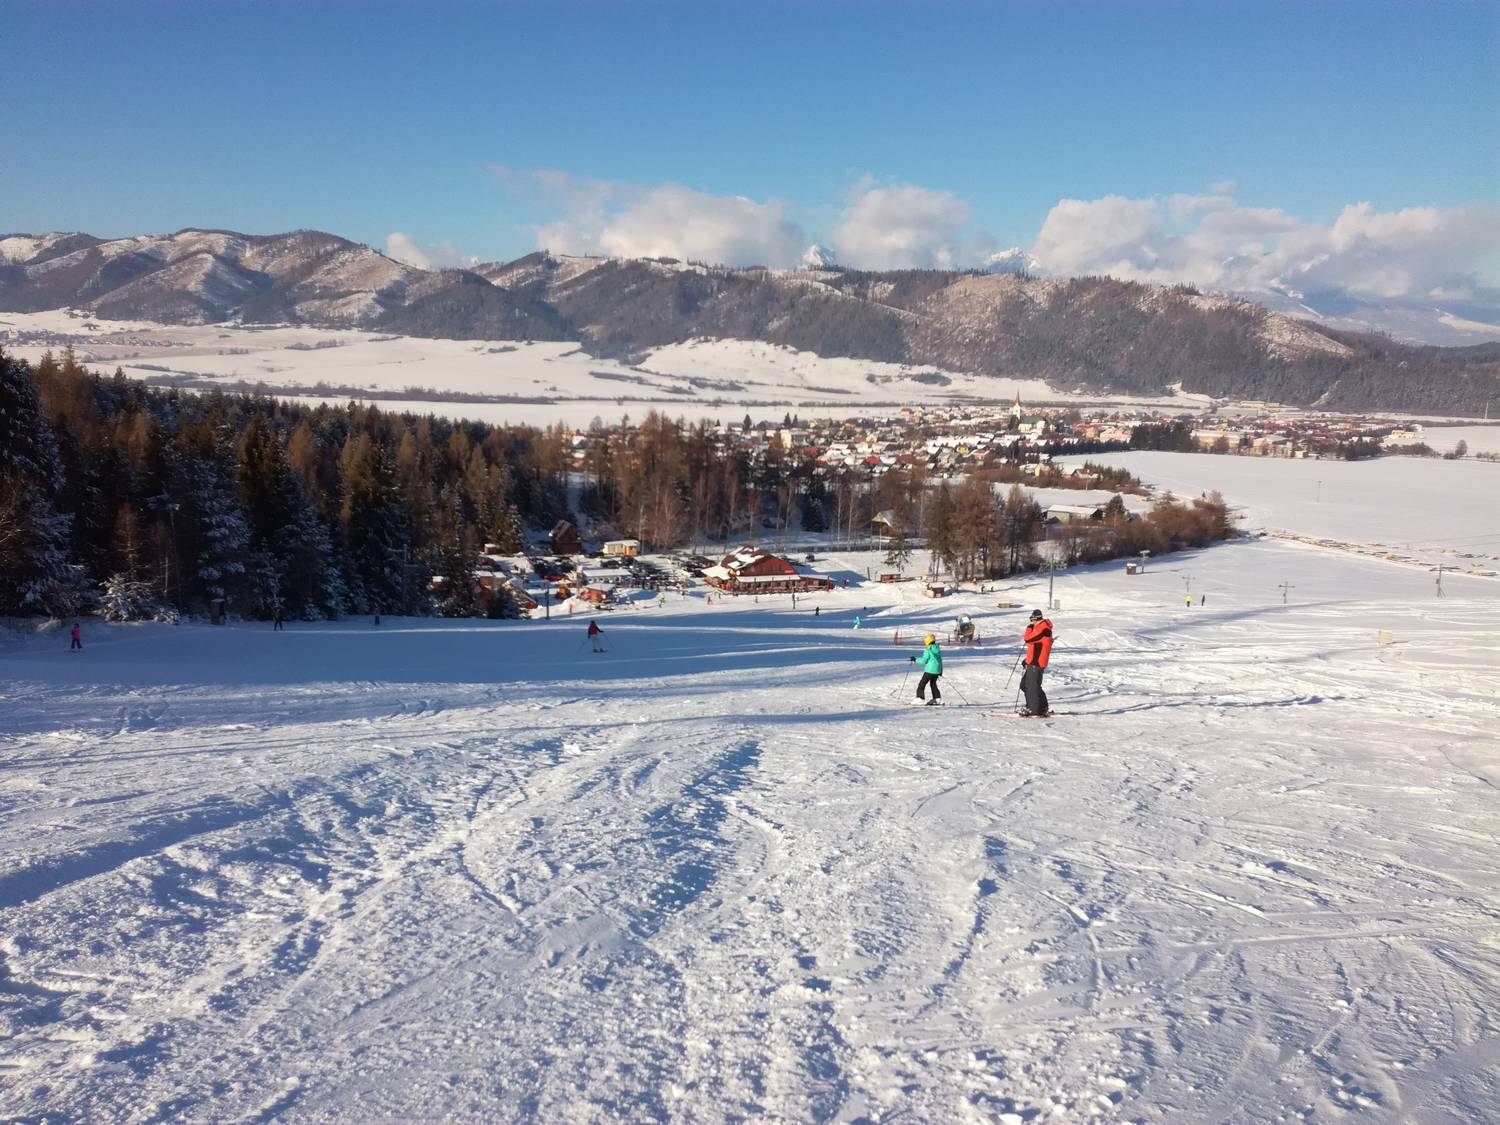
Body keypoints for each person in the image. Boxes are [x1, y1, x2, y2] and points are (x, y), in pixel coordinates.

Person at [1020, 609, 1052, 716]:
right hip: (1033, 661)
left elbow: (1028, 639)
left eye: (1031, 620)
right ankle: (1042, 707)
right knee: (1025, 685)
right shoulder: (1039, 628)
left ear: (1035, 619)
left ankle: (1033, 709)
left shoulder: (1043, 629)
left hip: (1037, 662)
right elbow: (1035, 645)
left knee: (1031, 686)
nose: (1031, 622)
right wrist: (1027, 660)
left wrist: (1029, 628)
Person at [910, 632, 942, 705]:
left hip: (929, 670)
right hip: (936, 671)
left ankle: (920, 698)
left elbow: (924, 660)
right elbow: (940, 661)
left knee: (922, 684)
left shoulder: (928, 650)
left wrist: (915, 660)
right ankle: (937, 698)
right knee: (933, 684)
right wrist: (940, 671)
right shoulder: (937, 650)